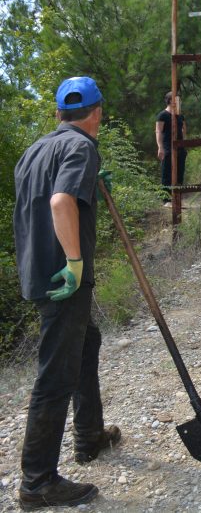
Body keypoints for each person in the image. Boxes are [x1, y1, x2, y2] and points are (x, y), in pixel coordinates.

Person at [13, 76, 121, 509]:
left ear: (59, 114)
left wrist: (91, 186)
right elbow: (59, 203)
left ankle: (89, 436)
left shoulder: (36, 149)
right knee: (55, 376)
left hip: (37, 270)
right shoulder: (81, 147)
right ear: (96, 114)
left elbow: (39, 202)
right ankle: (37, 483)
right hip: (63, 278)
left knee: (87, 342)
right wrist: (75, 263)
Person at [155, 91, 187, 206]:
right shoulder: (162, 115)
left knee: (180, 173)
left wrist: (184, 142)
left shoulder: (180, 115)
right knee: (166, 173)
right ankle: (166, 200)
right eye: (177, 99)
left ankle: (177, 197)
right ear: (170, 101)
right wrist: (160, 147)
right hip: (168, 147)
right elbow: (158, 131)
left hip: (180, 148)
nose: (179, 102)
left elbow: (184, 130)